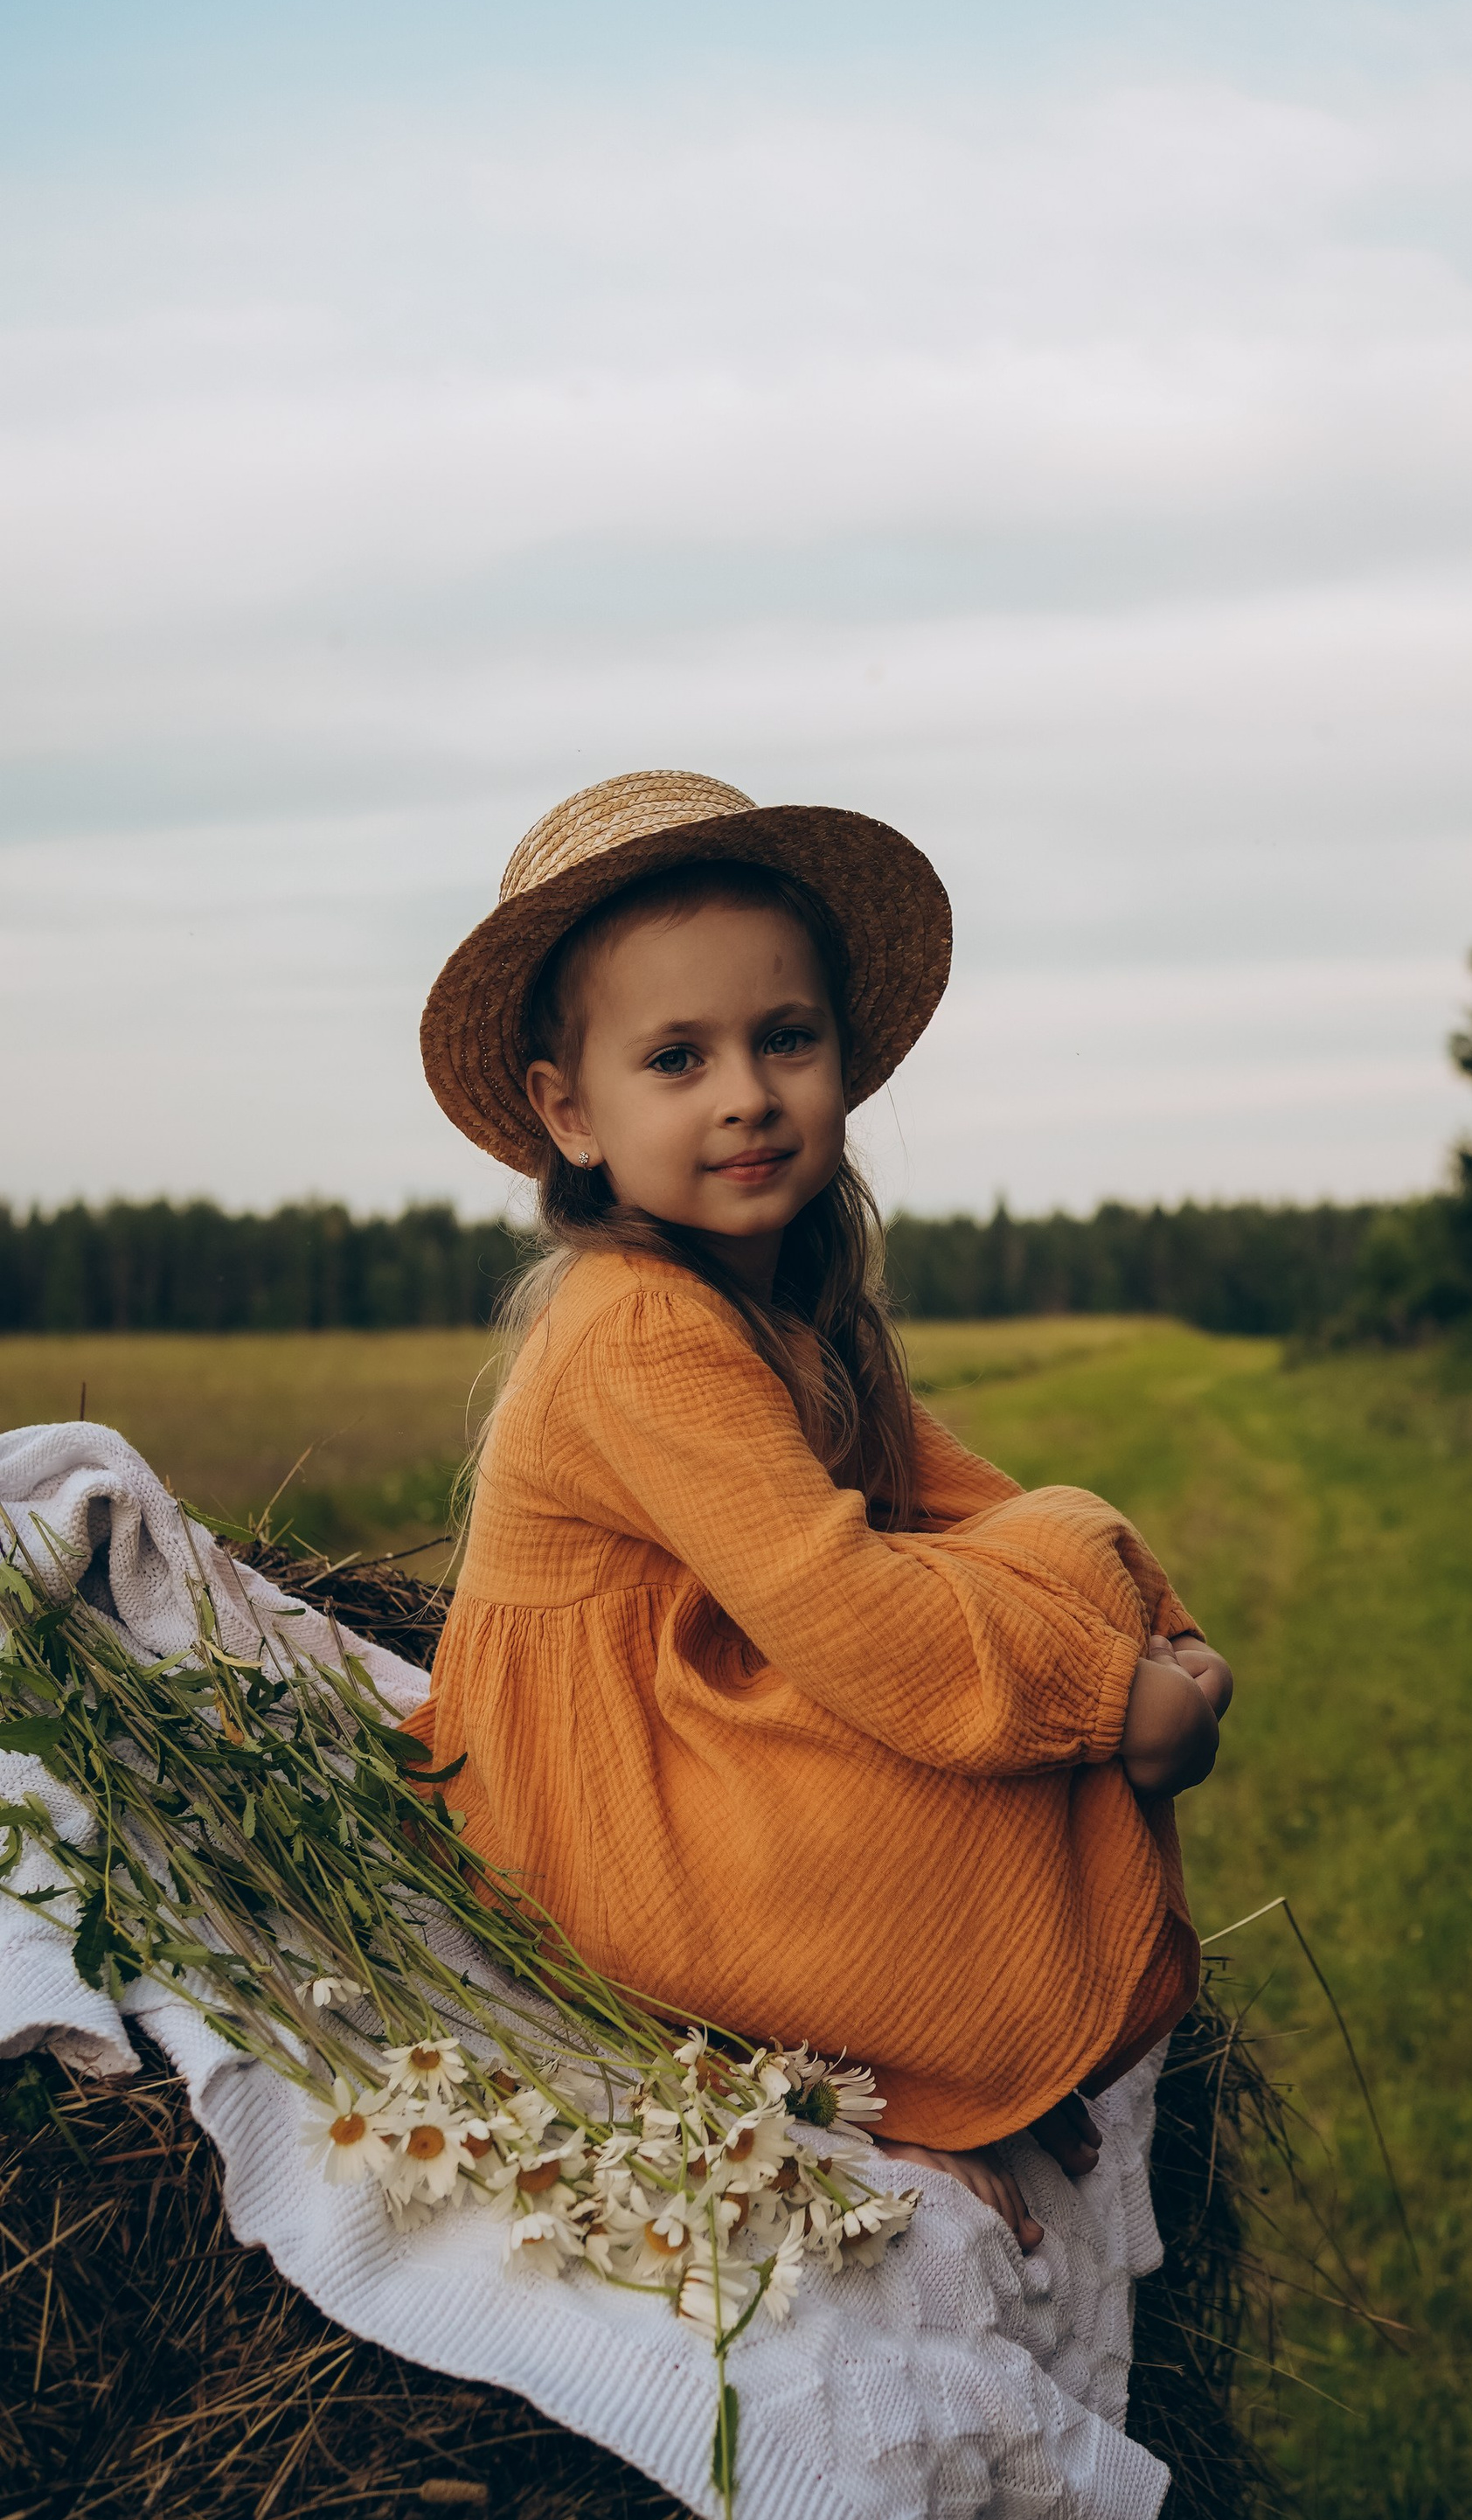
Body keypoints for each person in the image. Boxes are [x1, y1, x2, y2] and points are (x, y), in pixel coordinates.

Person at [413, 769, 1226, 2249]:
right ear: (568, 1111)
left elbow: (966, 1502)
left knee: (1050, 1533)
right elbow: (853, 1615)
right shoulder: (636, 1327)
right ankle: (899, 2074)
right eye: (678, 1057)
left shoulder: (780, 1297)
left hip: (687, 1738)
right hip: (595, 1833)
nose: (746, 1094)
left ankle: (943, 2042)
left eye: (783, 1039)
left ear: (840, 1061)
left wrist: (1161, 1628)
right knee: (962, 1752)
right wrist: (1111, 1695)